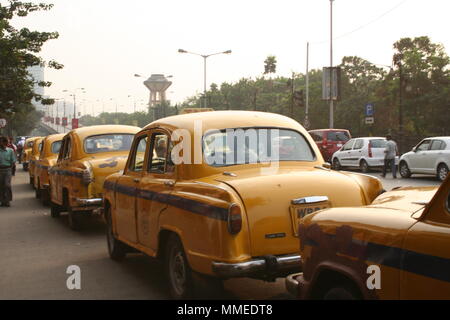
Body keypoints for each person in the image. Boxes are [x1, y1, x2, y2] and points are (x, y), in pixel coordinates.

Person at [0, 136, 16, 206]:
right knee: (1, 186)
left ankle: (7, 200)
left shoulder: (10, 151)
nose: (4, 143)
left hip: (7, 170)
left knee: (7, 185)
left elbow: (13, 161)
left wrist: (11, 170)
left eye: (5, 142)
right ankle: (2, 201)